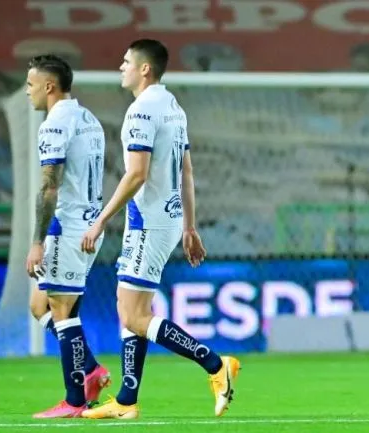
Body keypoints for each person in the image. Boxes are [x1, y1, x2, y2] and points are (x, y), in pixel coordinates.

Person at [79, 39, 239, 420]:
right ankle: (126, 401)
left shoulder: (141, 112)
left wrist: (101, 220)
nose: (121, 67)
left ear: (144, 69)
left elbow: (137, 173)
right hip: (165, 220)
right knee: (133, 310)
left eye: (126, 61)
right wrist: (190, 226)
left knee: (133, 316)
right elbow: (186, 171)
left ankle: (217, 365)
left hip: (148, 224)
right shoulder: (173, 108)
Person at [24, 54, 109, 418]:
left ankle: (75, 401)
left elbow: (49, 188)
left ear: (48, 86)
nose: (27, 92)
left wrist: (37, 242)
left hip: (70, 227)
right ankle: (90, 368)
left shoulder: (54, 124)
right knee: (39, 305)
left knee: (62, 311)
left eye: (30, 85)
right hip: (86, 224)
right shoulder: (88, 118)